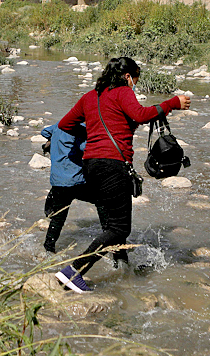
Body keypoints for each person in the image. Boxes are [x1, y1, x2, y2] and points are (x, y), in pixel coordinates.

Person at [54, 57, 190, 293]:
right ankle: (72, 272)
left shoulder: (90, 97)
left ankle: (122, 269)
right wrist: (172, 103)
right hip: (113, 165)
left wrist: (94, 134)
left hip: (92, 165)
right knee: (119, 229)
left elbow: (65, 124)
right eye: (136, 78)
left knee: (111, 223)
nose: (135, 84)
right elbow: (142, 114)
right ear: (128, 76)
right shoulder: (122, 91)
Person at [39, 123, 89, 253]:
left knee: (58, 219)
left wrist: (54, 139)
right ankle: (109, 236)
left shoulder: (59, 125)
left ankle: (48, 249)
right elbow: (84, 148)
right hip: (75, 181)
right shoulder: (82, 129)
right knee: (102, 201)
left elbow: (44, 132)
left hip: (57, 181)